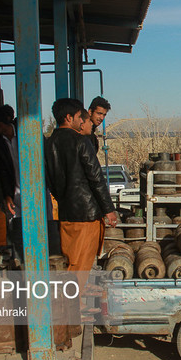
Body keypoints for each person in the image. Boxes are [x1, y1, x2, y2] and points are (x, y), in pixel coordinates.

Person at [45, 98, 117, 310]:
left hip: (66, 212)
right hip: (86, 214)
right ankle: (70, 311)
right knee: (80, 265)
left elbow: (50, 180)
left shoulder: (49, 143)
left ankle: (68, 307)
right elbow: (96, 178)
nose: (82, 120)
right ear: (69, 118)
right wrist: (109, 210)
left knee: (69, 260)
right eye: (79, 117)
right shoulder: (81, 141)